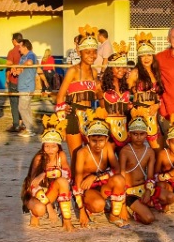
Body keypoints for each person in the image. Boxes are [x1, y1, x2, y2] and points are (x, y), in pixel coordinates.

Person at [73, 113, 129, 229]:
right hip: (88, 189)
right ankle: (90, 206)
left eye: (101, 140)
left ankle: (114, 215)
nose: (98, 144)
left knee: (119, 179)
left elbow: (117, 169)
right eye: (94, 140)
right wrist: (82, 211)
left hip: (102, 184)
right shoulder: (82, 153)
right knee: (98, 205)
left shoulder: (107, 147)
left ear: (107, 139)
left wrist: (96, 177)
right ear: (88, 138)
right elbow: (77, 183)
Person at [21, 116, 74, 231]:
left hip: (51, 192)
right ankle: (34, 213)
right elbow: (33, 184)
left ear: (58, 146)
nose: (50, 149)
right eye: (47, 146)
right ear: (43, 146)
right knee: (40, 210)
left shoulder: (61, 156)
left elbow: (67, 175)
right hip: (36, 193)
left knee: (63, 182)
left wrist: (53, 173)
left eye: (53, 146)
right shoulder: (39, 158)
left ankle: (67, 221)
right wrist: (49, 208)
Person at [55, 26, 100, 157]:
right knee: (76, 155)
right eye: (87, 52)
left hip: (89, 115)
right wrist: (62, 120)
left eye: (94, 52)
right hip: (73, 115)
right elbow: (60, 97)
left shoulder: (94, 72)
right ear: (80, 52)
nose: (92, 55)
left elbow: (96, 96)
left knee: (88, 156)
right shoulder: (73, 71)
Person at [118, 110, 156, 225]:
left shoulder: (149, 152)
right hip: (129, 192)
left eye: (141, 134)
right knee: (149, 218)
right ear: (129, 134)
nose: (138, 137)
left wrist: (148, 191)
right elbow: (121, 178)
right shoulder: (125, 151)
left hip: (144, 188)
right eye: (135, 134)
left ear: (146, 134)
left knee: (168, 197)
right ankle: (133, 210)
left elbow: (150, 176)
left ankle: (143, 204)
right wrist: (123, 204)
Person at [129, 32, 164, 149]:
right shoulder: (135, 73)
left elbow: (160, 94)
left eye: (149, 54)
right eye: (143, 55)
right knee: (139, 149)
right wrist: (132, 108)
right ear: (139, 57)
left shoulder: (156, 72)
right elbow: (125, 93)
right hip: (140, 115)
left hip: (154, 115)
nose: (146, 58)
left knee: (158, 148)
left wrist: (157, 105)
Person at [99, 41, 132, 147]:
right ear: (111, 68)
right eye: (118, 67)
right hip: (109, 129)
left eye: (123, 67)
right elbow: (102, 110)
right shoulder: (102, 85)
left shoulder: (126, 84)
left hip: (124, 128)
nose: (121, 70)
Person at [15, 39, 45, 138]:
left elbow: (30, 62)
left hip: (27, 86)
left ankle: (29, 129)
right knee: (26, 108)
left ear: (25, 46)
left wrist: (22, 66)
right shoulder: (22, 57)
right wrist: (16, 71)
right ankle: (29, 128)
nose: (19, 49)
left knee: (22, 108)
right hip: (22, 85)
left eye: (20, 46)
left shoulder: (31, 55)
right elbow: (20, 70)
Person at [5, 33, 24, 132]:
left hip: (14, 81)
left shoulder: (12, 52)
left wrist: (7, 79)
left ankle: (16, 124)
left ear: (14, 40)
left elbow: (8, 67)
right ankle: (24, 123)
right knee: (23, 102)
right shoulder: (26, 51)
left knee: (14, 103)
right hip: (25, 82)